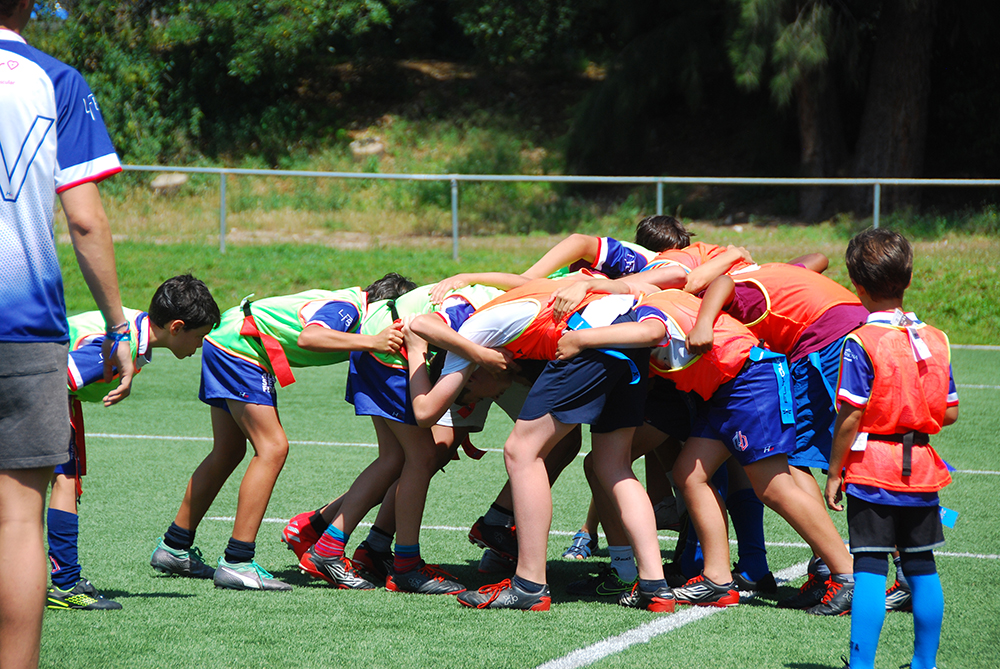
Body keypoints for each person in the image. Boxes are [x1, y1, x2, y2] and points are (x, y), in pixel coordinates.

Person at [554, 282, 855, 610]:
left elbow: (655, 329)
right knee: (689, 473)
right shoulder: (647, 297)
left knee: (774, 486)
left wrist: (582, 338)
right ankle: (717, 580)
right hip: (726, 388)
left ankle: (846, 574)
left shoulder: (646, 311)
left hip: (747, 380)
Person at [408, 276, 674, 612]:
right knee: (614, 465)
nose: (490, 397)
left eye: (472, 395)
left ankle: (529, 584)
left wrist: (434, 352)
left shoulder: (469, 337)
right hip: (626, 335)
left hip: (588, 337)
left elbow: (424, 402)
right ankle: (654, 586)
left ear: (472, 376)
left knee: (521, 451)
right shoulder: (505, 303)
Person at [1, 2, 134, 666]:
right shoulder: (54, 79)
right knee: (17, 520)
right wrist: (117, 325)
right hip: (22, 329)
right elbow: (84, 220)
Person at [149, 273, 415, 591]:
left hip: (228, 340)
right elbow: (310, 337)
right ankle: (237, 561)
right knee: (273, 448)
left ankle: (175, 545)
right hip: (241, 347)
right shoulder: (350, 307)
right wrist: (373, 341)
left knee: (228, 451)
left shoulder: (350, 305)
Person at [824, 228, 958, 669]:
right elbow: (950, 412)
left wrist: (834, 471)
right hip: (921, 467)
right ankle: (924, 663)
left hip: (872, 467)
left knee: (869, 568)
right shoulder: (935, 337)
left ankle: (862, 664)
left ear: (857, 286)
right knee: (921, 565)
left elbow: (850, 416)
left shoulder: (862, 340)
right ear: (909, 278)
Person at [47, 276, 219, 611]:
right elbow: (58, 378)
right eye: (199, 336)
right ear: (177, 327)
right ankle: (65, 585)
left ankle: (60, 580)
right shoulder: (120, 343)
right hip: (40, 392)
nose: (199, 346)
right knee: (63, 481)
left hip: (45, 392)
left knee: (58, 481)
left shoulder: (134, 329)